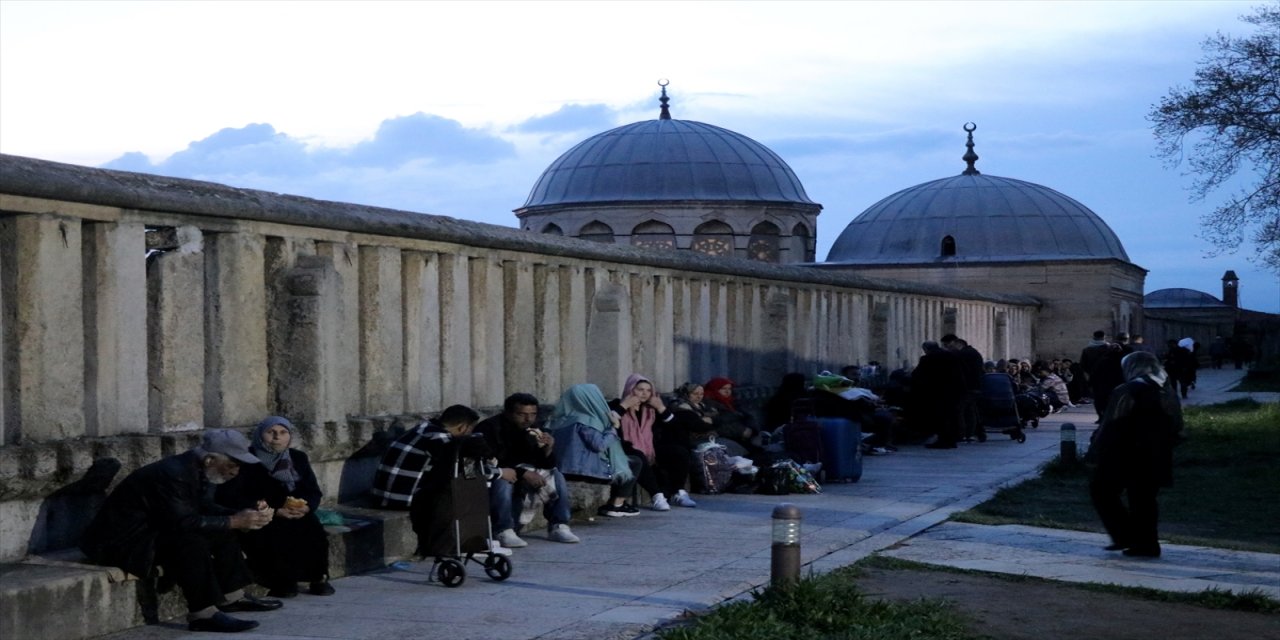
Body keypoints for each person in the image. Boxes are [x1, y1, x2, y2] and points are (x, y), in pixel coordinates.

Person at [80, 429, 284, 633]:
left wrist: (243, 514)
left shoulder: (195, 468)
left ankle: (232, 595)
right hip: (120, 544)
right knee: (190, 541)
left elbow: (202, 506)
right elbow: (183, 523)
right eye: (231, 465)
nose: (235, 472)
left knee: (224, 529)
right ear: (210, 460)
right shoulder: (173, 473)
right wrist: (235, 520)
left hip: (150, 532)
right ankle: (202, 614)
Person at [216, 416, 334, 598]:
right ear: (260, 435)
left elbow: (312, 491)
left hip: (296, 512)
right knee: (277, 534)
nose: (277, 437)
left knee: (313, 529)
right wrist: (275, 510)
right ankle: (284, 582)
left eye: (283, 433)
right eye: (271, 432)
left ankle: (318, 577)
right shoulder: (248, 460)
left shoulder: (298, 458)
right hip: (264, 513)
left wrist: (306, 507)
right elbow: (234, 495)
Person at [370, 405, 505, 556]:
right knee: (458, 493)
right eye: (470, 430)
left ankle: (472, 540)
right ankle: (466, 543)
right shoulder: (439, 439)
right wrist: (500, 472)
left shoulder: (425, 429)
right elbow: (465, 471)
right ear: (463, 428)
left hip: (389, 494)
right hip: (401, 499)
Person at [1089, 350, 1184, 558]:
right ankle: (1145, 543)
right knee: (1144, 500)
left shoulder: (1128, 390)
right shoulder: (1165, 390)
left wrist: (1096, 448)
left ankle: (1127, 536)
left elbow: (1111, 424)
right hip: (1156, 453)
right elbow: (1177, 424)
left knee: (1102, 491)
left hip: (1125, 453)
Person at [473, 393, 581, 546]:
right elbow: (493, 459)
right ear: (509, 413)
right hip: (497, 473)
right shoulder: (490, 428)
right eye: (522, 414)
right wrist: (522, 472)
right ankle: (503, 530)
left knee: (556, 475)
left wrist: (548, 449)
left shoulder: (533, 429)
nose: (528, 419)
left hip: (526, 472)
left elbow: (546, 464)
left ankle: (559, 525)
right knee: (503, 482)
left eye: (532, 414)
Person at [609, 373, 697, 511]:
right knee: (638, 455)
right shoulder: (616, 404)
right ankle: (657, 496)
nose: (644, 393)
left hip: (650, 450)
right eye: (640, 389)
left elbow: (677, 430)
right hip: (624, 447)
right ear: (630, 389)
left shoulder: (650, 410)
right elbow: (609, 421)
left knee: (680, 452)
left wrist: (661, 408)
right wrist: (625, 405)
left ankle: (678, 492)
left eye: (648, 390)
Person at [547, 384, 638, 517]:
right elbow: (599, 445)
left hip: (563, 469)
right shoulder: (586, 420)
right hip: (584, 471)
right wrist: (614, 428)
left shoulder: (560, 419)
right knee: (635, 462)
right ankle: (617, 504)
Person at [910, 341, 966, 449]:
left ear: (926, 349)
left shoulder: (927, 358)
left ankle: (943, 440)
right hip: (955, 390)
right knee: (952, 416)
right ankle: (952, 440)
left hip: (938, 392)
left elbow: (917, 375)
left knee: (941, 417)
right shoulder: (951, 355)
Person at [941, 334, 985, 442]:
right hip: (976, 386)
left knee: (959, 410)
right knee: (970, 410)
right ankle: (970, 434)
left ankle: (961, 434)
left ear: (956, 343)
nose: (948, 348)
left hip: (967, 387)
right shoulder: (973, 352)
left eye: (948, 345)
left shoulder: (963, 354)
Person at [703, 376, 757, 452]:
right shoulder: (708, 403)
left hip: (742, 436)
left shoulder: (732, 401)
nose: (727, 391)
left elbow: (747, 416)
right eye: (723, 389)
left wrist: (751, 429)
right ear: (715, 389)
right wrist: (741, 431)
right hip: (727, 438)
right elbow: (719, 423)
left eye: (729, 389)